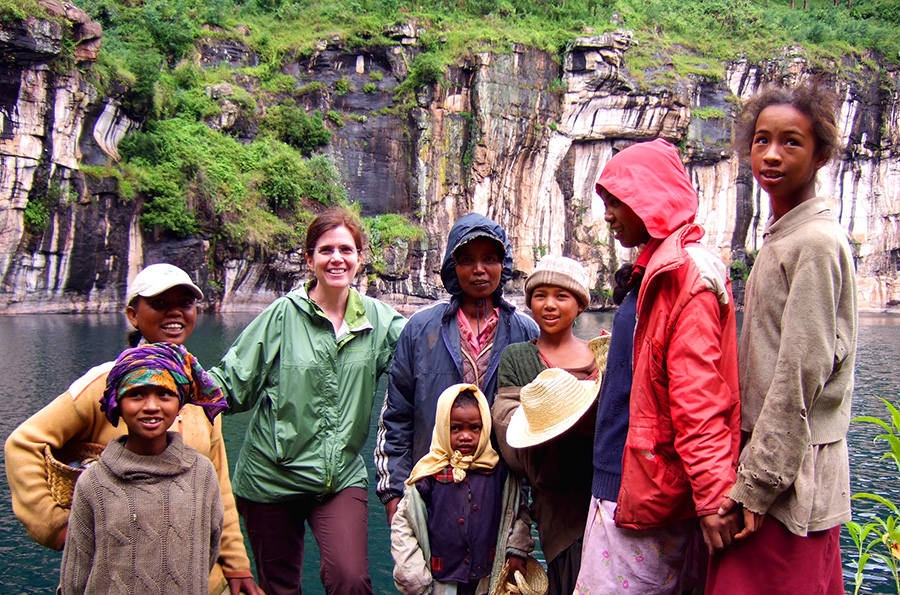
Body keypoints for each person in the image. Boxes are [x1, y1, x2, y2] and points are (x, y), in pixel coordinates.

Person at [4, 263, 263, 595]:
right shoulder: (107, 384)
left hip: (196, 578)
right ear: (133, 314)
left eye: (185, 303)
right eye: (159, 304)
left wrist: (237, 565)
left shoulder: (200, 393)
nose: (176, 313)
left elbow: (219, 486)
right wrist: (56, 526)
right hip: (119, 576)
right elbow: (23, 444)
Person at [706, 82, 856, 595]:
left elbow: (799, 376)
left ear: (821, 155)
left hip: (788, 484)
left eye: (791, 142)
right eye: (761, 140)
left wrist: (755, 487)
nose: (771, 154)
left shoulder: (814, 242)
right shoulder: (783, 236)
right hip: (769, 465)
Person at [208, 207, 406, 595]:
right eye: (326, 250)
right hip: (270, 477)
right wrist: (170, 388)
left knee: (350, 580)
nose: (337, 259)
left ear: (359, 258)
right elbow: (231, 384)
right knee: (280, 588)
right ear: (310, 259)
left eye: (346, 250)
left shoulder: (380, 321)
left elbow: (424, 364)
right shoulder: (282, 316)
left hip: (340, 475)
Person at [574, 138, 741, 594]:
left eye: (616, 202)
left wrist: (711, 498)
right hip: (627, 482)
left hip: (646, 490)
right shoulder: (656, 269)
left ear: (650, 198)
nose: (607, 214)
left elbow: (698, 397)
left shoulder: (685, 275)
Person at [375, 213, 539, 524]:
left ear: (503, 264)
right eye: (467, 260)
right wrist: (394, 494)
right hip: (430, 491)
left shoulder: (526, 332)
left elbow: (538, 424)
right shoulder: (420, 329)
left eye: (490, 258)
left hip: (502, 494)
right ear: (454, 267)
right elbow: (396, 416)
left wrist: (526, 508)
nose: (479, 269)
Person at [59, 342, 228, 594]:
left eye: (164, 394)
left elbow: (208, 551)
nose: (151, 406)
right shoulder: (94, 481)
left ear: (180, 404)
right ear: (118, 403)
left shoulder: (201, 474)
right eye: (136, 394)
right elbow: (76, 571)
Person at [491, 254, 604, 595]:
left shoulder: (601, 357)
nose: (549, 305)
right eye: (540, 296)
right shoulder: (517, 357)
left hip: (604, 495)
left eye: (562, 296)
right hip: (555, 502)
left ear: (580, 304)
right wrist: (570, 420)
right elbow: (507, 427)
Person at [390, 384, 534, 595]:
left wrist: (517, 548)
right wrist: (413, 575)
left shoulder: (498, 472)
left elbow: (517, 511)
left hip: (486, 580)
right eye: (455, 428)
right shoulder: (428, 475)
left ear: (485, 427)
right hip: (439, 581)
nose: (465, 436)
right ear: (441, 427)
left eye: (474, 428)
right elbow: (403, 525)